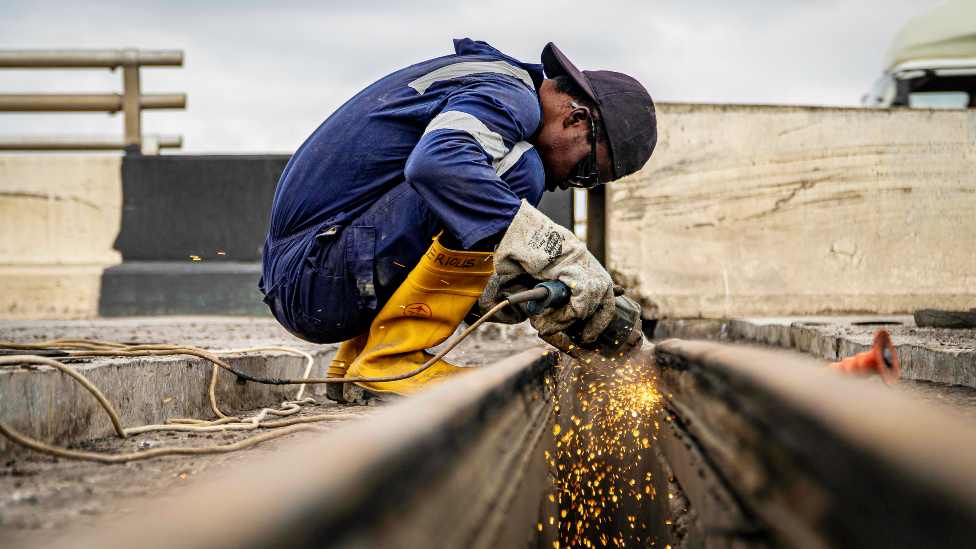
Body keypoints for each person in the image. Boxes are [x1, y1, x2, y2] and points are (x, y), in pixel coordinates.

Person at [260, 38, 657, 401]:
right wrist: (558, 253)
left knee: (490, 189)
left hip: (313, 270)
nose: (568, 184)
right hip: (314, 278)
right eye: (586, 172)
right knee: (519, 169)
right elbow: (438, 164)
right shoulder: (510, 95)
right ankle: (389, 363)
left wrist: (499, 282)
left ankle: (360, 356)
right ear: (576, 119)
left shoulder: (495, 81)